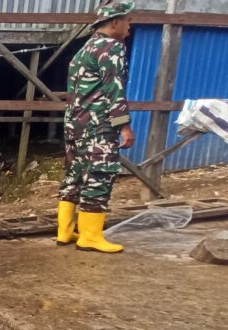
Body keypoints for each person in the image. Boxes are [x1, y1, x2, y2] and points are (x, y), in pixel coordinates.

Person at [58, 0, 136, 253]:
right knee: (99, 175)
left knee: (75, 175)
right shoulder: (112, 47)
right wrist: (124, 125)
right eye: (127, 20)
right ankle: (90, 236)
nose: (129, 26)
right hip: (98, 125)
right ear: (115, 22)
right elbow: (114, 88)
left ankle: (65, 230)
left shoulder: (85, 49)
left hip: (75, 124)